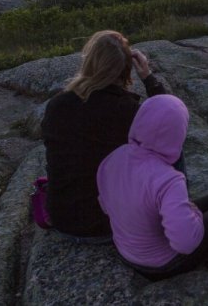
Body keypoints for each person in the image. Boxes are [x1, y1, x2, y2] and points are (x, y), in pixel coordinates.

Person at [41, 30, 169, 241]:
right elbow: (169, 123)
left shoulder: (57, 105)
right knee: (168, 153)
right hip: (105, 224)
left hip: (61, 219)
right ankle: (174, 207)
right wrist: (148, 77)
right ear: (125, 69)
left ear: (88, 62)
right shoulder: (125, 110)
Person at [97, 95, 208, 280]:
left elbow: (105, 206)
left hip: (126, 251)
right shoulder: (169, 180)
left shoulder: (113, 158)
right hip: (163, 265)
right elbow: (185, 244)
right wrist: (195, 216)